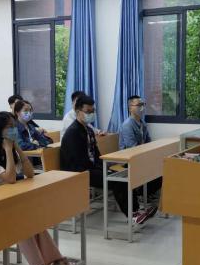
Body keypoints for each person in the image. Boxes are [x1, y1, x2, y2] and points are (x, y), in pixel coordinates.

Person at [0, 111, 81, 265]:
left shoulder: (10, 151)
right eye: (9, 127)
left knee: (33, 222)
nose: (14, 130)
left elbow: (30, 174)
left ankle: (57, 263)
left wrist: (17, 149)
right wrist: (9, 150)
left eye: (14, 127)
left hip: (3, 200)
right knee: (22, 224)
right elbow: (11, 178)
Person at [60, 95, 156, 225]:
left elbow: (96, 154)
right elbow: (79, 163)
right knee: (117, 181)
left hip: (90, 167)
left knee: (123, 174)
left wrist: (106, 167)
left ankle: (137, 211)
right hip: (78, 172)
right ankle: (133, 215)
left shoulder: (88, 129)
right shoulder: (73, 133)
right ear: (78, 112)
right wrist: (104, 170)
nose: (91, 114)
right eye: (88, 111)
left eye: (93, 111)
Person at [119, 95, 162, 208]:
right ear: (130, 108)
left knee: (161, 166)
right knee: (153, 167)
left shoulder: (142, 123)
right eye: (139, 105)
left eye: (143, 105)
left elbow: (149, 142)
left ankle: (146, 192)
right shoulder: (127, 125)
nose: (142, 107)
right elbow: (132, 148)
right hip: (128, 159)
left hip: (141, 155)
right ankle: (141, 193)